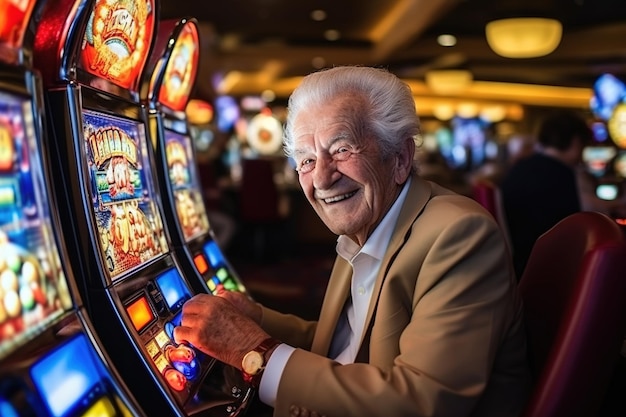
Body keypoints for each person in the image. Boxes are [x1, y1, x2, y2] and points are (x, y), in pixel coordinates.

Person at [174, 66, 531, 417]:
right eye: (307, 160)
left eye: (342, 150)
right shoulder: (364, 227)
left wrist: (255, 352)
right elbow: (349, 346)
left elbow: (422, 402)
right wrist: (259, 321)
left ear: (400, 158)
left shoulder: (459, 235)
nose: (323, 179)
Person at [500, 110, 605, 279]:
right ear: (576, 142)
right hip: (550, 269)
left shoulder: (520, 167)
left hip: (520, 265)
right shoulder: (562, 173)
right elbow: (590, 216)